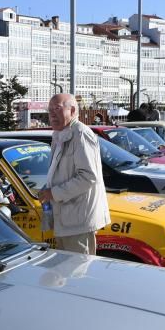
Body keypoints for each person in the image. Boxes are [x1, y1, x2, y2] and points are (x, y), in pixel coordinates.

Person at [38, 93, 110, 255]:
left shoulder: (81, 134)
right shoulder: (60, 135)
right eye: (49, 110)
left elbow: (88, 177)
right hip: (66, 220)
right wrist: (47, 189)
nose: (51, 114)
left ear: (72, 110)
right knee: (65, 273)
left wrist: (53, 193)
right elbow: (61, 173)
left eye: (56, 109)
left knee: (77, 273)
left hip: (78, 222)